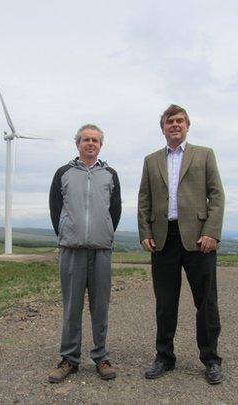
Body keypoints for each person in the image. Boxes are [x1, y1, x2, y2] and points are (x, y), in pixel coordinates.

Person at [138, 104, 225, 384]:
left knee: (206, 302)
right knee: (165, 302)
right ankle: (164, 357)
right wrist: (144, 232)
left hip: (199, 238)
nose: (174, 125)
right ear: (162, 127)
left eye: (179, 121)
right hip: (163, 239)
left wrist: (212, 231)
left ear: (187, 126)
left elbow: (217, 195)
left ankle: (211, 358)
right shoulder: (151, 160)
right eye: (169, 121)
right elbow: (144, 200)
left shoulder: (204, 154)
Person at [48, 124, 121, 383]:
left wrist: (104, 233)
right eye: (86, 140)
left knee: (100, 307)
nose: (91, 143)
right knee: (71, 307)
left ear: (101, 145)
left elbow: (115, 210)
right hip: (71, 249)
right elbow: (55, 208)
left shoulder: (110, 174)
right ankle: (69, 359)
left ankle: (101, 357)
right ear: (77, 143)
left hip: (101, 250)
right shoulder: (63, 173)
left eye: (95, 140)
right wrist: (70, 232)